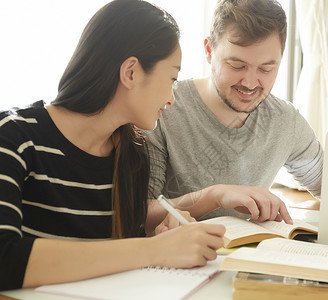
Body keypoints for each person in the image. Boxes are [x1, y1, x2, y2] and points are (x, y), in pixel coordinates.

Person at [0, 0, 231, 291]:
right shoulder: (14, 137)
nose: (172, 98)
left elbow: (117, 256)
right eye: (172, 78)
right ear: (131, 72)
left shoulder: (132, 154)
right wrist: (155, 249)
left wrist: (158, 236)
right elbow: (4, 258)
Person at [145, 0, 323, 223]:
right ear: (209, 51)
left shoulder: (286, 121)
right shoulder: (161, 109)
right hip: (179, 254)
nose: (249, 83)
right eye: (236, 65)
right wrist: (213, 196)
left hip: (251, 254)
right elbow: (138, 214)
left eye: (266, 68)